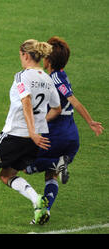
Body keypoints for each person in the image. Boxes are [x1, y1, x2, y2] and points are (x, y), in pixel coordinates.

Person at [0, 39, 62, 224]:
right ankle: (37, 200)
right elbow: (57, 108)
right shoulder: (47, 78)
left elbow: (26, 100)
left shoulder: (22, 76)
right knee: (7, 175)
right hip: (34, 140)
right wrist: (37, 128)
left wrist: (32, 129)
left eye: (20, 55)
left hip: (15, 134)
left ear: (25, 55)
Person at [24, 36, 104, 223]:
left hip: (55, 135)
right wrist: (89, 123)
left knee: (25, 168)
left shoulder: (53, 78)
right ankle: (45, 211)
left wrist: (91, 121)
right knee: (51, 176)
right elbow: (71, 100)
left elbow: (72, 101)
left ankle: (55, 162)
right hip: (71, 136)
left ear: (48, 60)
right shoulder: (63, 75)